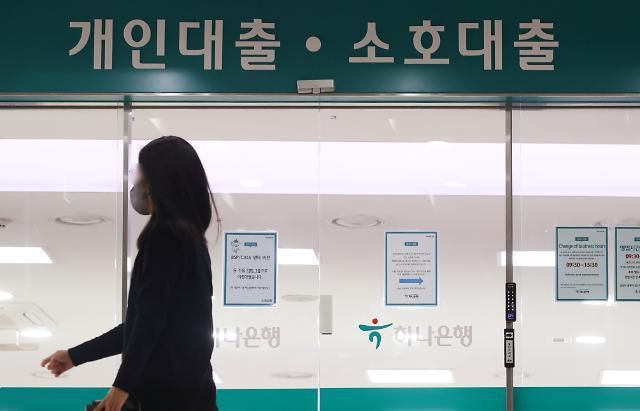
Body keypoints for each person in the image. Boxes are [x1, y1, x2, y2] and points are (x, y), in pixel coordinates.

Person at [41, 136, 221, 411]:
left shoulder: (165, 238)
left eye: (141, 174)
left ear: (159, 184)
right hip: (192, 396)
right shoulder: (192, 242)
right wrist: (75, 356)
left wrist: (121, 389)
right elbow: (141, 324)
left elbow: (149, 321)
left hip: (165, 399)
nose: (137, 183)